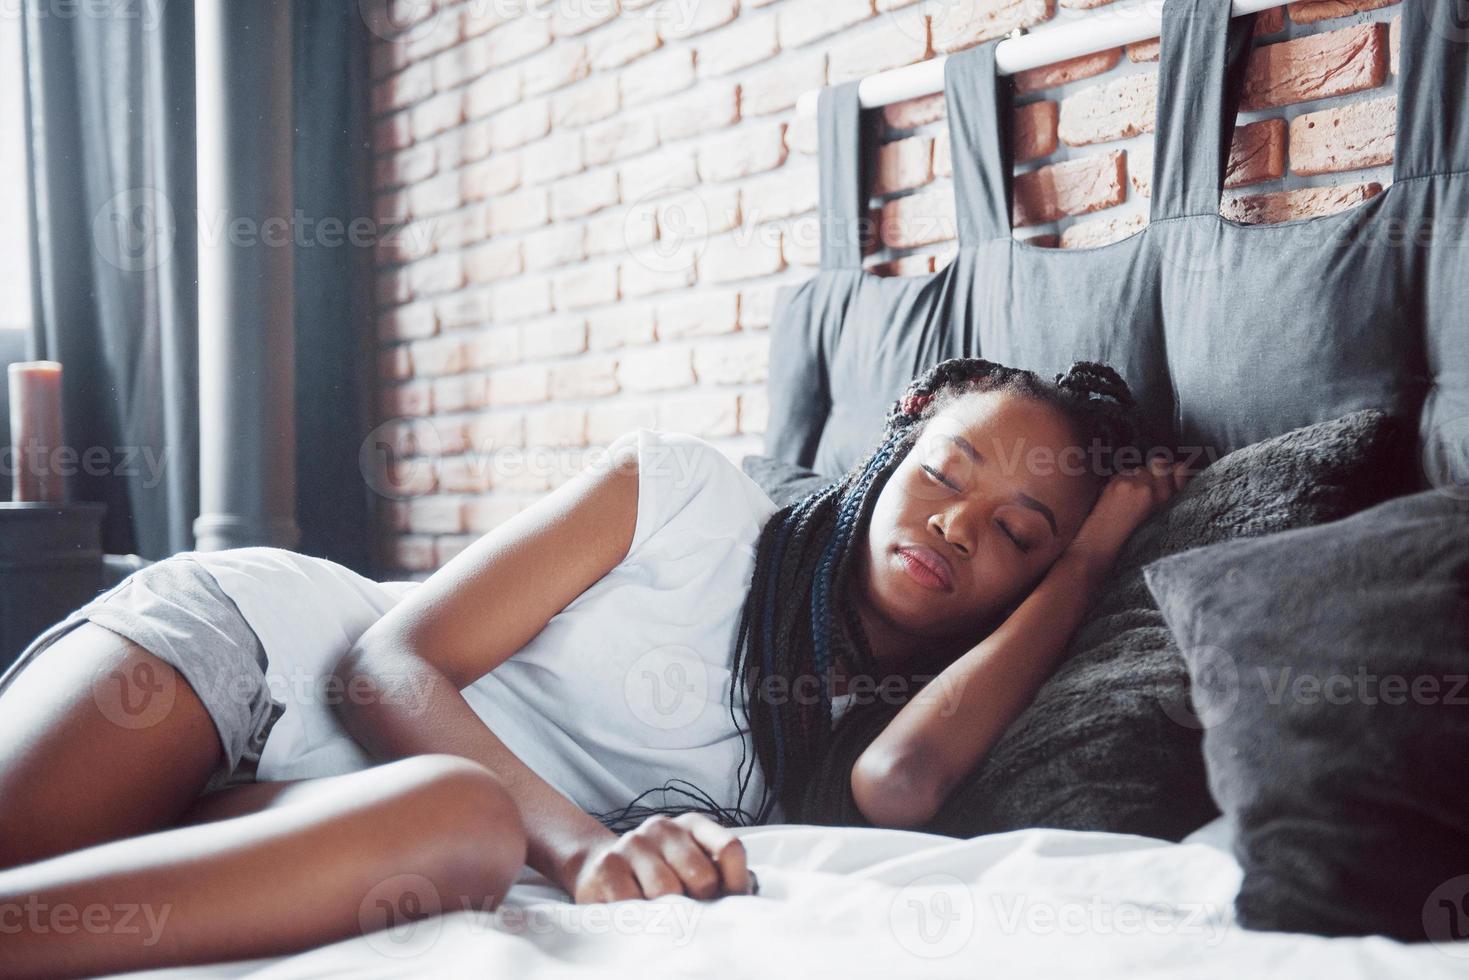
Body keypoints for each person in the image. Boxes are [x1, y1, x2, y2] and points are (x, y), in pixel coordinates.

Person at [0, 357, 1189, 975]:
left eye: (1016, 533)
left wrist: (1088, 558)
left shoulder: (848, 729)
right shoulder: (684, 495)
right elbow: (387, 662)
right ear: (895, 441)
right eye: (946, 471)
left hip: (343, 810)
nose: (954, 524)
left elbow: (904, 782)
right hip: (245, 659)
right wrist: (580, 848)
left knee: (463, 825)